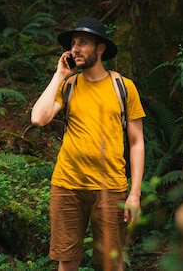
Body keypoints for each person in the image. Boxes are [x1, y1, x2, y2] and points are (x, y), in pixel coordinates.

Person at [31, 17, 146, 271]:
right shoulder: (68, 86)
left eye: (83, 42)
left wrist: (135, 193)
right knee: (67, 260)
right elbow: (38, 118)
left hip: (111, 188)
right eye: (73, 43)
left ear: (100, 48)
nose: (75, 49)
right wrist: (60, 74)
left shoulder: (123, 87)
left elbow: (137, 142)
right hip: (67, 186)